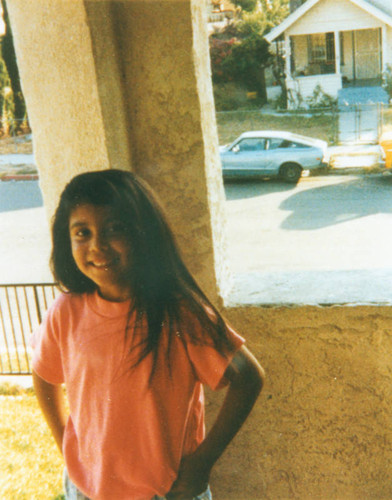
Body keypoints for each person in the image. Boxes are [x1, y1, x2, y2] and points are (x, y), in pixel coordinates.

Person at [31, 169, 264, 500]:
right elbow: (43, 375)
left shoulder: (179, 312)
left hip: (166, 491)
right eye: (82, 232)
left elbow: (249, 378)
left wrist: (202, 463)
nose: (97, 245)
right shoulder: (66, 312)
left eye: (115, 229)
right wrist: (64, 445)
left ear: (144, 233)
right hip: (88, 490)